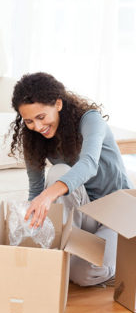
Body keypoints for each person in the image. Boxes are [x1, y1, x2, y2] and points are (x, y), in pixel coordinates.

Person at [10, 72, 133, 286]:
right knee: (58, 172)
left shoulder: (90, 120)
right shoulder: (34, 139)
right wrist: (26, 234)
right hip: (86, 215)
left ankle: (125, 255)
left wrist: (48, 196)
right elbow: (36, 190)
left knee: (85, 275)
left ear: (58, 103)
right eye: (29, 121)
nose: (37, 127)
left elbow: (89, 164)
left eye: (41, 117)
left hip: (117, 212)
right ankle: (64, 253)